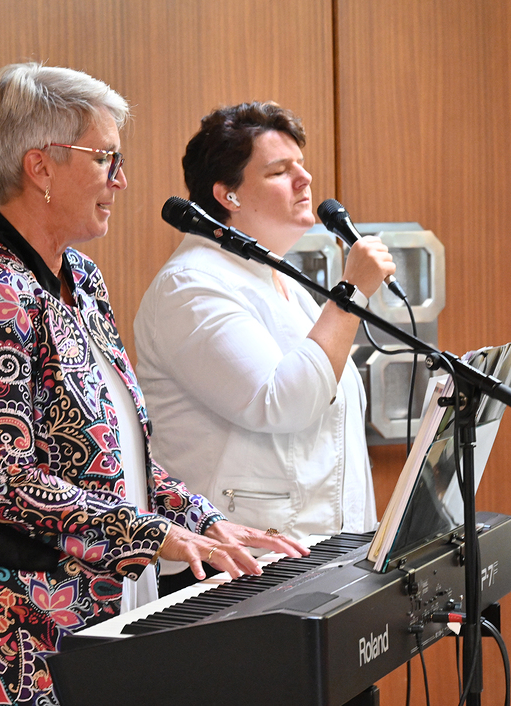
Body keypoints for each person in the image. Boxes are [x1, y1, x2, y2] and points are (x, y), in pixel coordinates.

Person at [0, 65, 306, 706]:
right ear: (41, 167)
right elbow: (2, 480)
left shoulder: (81, 280)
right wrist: (155, 536)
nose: (121, 180)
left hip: (85, 616)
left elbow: (116, 459)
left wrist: (206, 521)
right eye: (105, 159)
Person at [134, 102, 396, 594]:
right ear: (227, 194)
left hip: (314, 557)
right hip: (232, 569)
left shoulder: (281, 280)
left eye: (301, 164)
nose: (305, 179)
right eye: (279, 170)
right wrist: (350, 295)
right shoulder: (190, 286)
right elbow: (282, 402)